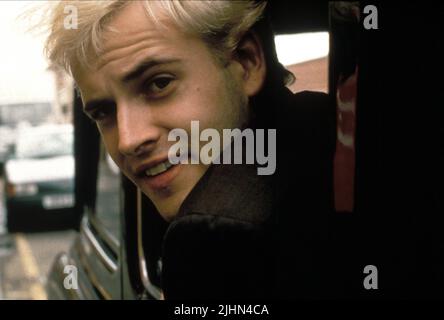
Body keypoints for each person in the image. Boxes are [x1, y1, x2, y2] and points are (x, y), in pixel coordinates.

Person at [44, 0, 340, 299]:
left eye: (159, 84)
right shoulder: (324, 125)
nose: (128, 140)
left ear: (246, 62)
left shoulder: (212, 241)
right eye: (103, 112)